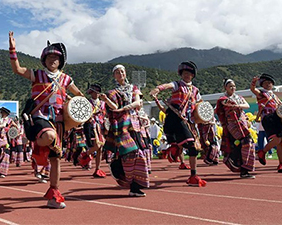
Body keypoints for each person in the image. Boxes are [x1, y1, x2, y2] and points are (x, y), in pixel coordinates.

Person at [9, 31, 84, 209]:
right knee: (48, 136)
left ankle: (54, 194)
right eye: (49, 57)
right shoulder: (37, 75)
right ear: (44, 59)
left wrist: (77, 106)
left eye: (56, 57)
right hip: (40, 118)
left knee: (56, 159)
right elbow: (17, 69)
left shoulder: (66, 79)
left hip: (59, 121)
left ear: (61, 61)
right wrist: (13, 49)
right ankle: (37, 152)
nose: (53, 59)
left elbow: (79, 94)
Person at [150, 61, 206, 186]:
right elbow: (167, 86)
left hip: (188, 121)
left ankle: (193, 175)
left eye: (189, 73)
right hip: (174, 118)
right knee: (187, 144)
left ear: (192, 75)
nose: (187, 75)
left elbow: (201, 105)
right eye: (184, 73)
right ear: (181, 74)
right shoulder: (177, 85)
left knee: (193, 148)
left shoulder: (196, 91)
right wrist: (157, 89)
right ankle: (173, 149)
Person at [105, 64, 149, 197]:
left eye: (122, 71)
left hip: (135, 125)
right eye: (117, 72)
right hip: (121, 127)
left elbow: (137, 103)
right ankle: (126, 179)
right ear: (114, 76)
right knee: (130, 153)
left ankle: (135, 186)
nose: (120, 74)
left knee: (139, 153)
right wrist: (107, 100)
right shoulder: (112, 93)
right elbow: (112, 108)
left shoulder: (134, 88)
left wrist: (124, 108)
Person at [215, 79, 255, 178]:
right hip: (232, 125)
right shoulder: (223, 99)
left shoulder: (239, 97)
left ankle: (241, 167)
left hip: (242, 123)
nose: (233, 88)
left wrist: (237, 105)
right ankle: (243, 169)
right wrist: (237, 106)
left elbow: (247, 105)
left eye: (234, 86)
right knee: (245, 141)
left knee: (242, 145)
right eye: (230, 86)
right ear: (225, 88)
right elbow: (224, 105)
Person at [251, 74, 282, 172]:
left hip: (277, 119)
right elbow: (253, 89)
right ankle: (262, 151)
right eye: (266, 83)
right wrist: (254, 82)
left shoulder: (275, 96)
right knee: (277, 139)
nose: (268, 84)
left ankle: (281, 164)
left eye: (270, 83)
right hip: (268, 118)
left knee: (281, 143)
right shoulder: (261, 93)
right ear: (262, 85)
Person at [82, 83, 107, 177]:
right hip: (91, 125)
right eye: (94, 92)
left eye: (97, 92)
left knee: (100, 147)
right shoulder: (87, 102)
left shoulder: (103, 103)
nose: (96, 94)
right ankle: (85, 155)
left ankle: (97, 168)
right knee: (97, 144)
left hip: (101, 125)